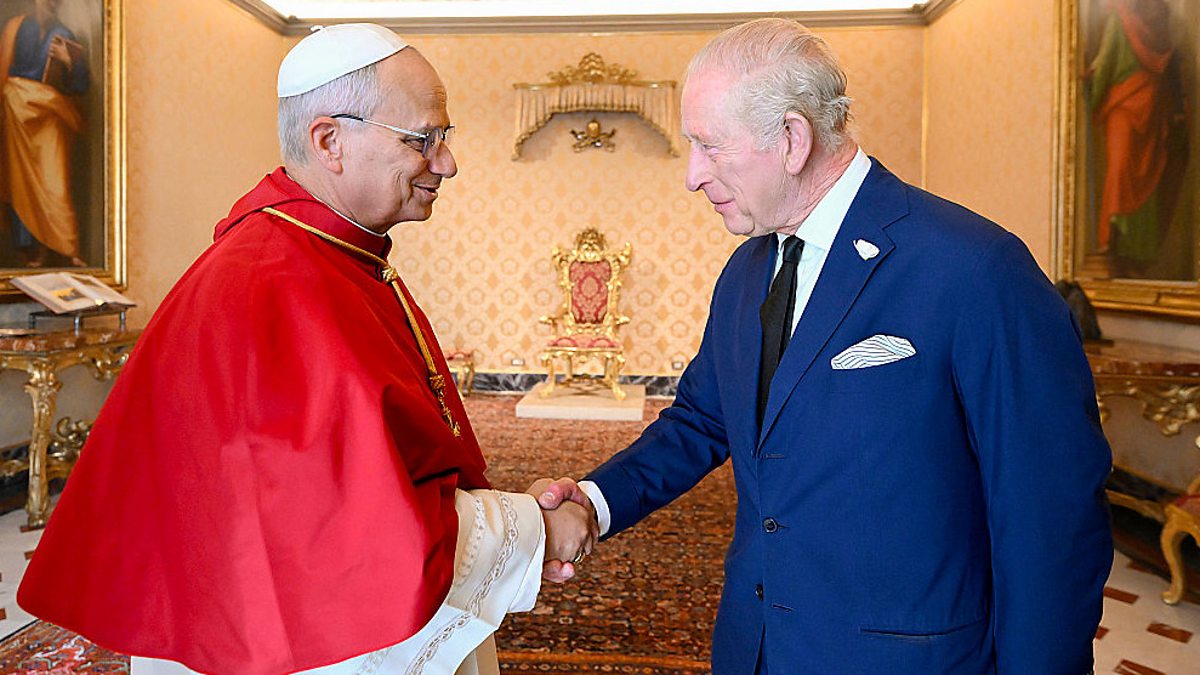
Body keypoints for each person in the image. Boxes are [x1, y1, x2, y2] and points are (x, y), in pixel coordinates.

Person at [18, 24, 595, 675]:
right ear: (329, 141)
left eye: (445, 136)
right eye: (421, 140)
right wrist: (535, 528)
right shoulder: (277, 282)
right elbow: (353, 538)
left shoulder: (323, 253)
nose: (446, 163)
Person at [539, 18, 1113, 673]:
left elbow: (1051, 517)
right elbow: (701, 420)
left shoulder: (975, 268)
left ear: (791, 138)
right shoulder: (747, 271)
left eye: (709, 146)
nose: (692, 176)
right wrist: (595, 501)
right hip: (758, 649)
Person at [1087, 0, 1188, 275]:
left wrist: (1089, 89)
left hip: (1130, 104)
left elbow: (1105, 64)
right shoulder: (1159, 30)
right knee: (1136, 175)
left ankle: (1118, 244)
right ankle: (1129, 250)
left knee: (1126, 174)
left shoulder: (1120, 20)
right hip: (1149, 104)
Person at [0, 0, 90, 268]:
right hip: (17, 110)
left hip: (51, 114)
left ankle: (66, 245)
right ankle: (31, 251)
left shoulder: (64, 33)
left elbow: (81, 84)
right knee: (21, 181)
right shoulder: (15, 28)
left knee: (54, 182)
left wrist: (68, 61)